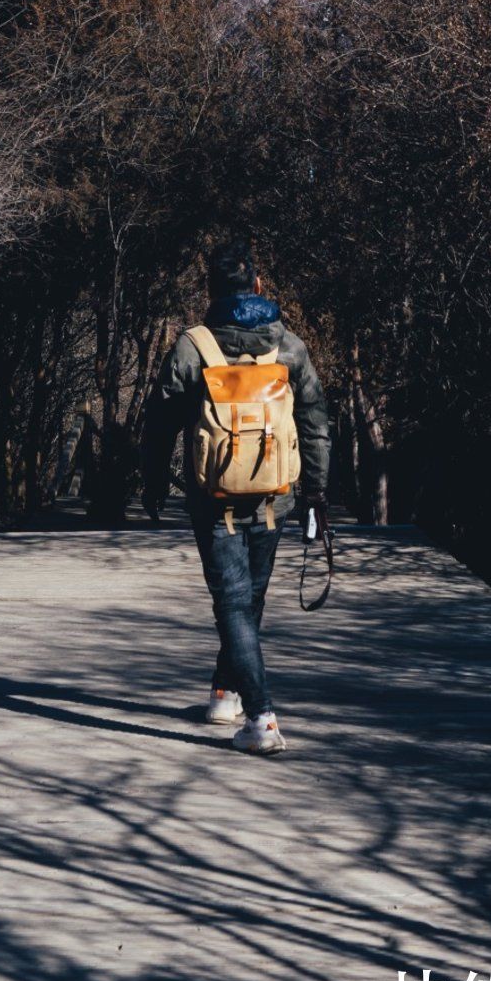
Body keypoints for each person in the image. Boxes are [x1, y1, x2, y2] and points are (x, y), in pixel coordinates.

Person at [141, 240, 330, 756]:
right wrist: (316, 490)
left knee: (232, 604)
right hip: (275, 498)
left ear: (211, 289)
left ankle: (262, 716)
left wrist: (153, 481)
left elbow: (159, 425)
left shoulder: (192, 346)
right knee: (248, 603)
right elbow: (314, 422)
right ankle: (226, 693)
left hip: (213, 499)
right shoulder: (288, 345)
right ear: (258, 286)